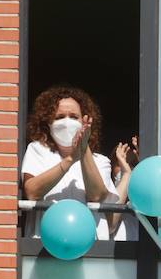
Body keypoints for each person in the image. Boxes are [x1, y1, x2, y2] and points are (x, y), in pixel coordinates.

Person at [21, 85, 119, 239]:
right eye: (59, 117)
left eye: (74, 117)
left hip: (92, 250)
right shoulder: (37, 150)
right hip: (44, 248)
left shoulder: (100, 161)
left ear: (84, 122)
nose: (67, 122)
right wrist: (70, 159)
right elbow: (32, 192)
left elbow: (96, 196)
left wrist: (83, 147)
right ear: (48, 123)